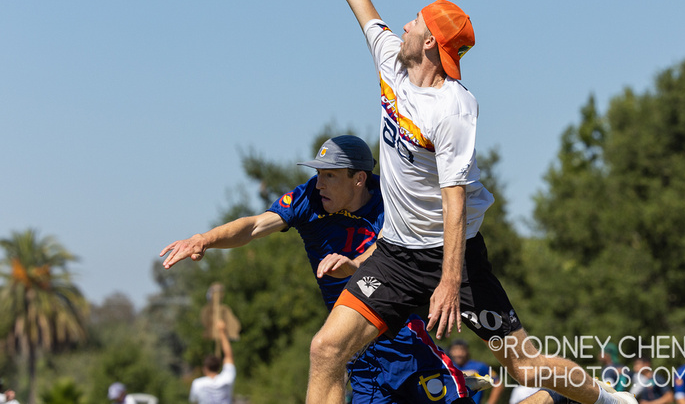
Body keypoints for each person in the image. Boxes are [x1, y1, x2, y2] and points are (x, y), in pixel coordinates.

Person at [287, 0, 639, 404]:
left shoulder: (452, 108)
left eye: (415, 21)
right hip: (397, 256)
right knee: (327, 350)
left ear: (429, 41)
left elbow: (454, 201)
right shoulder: (391, 63)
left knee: (522, 365)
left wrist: (450, 282)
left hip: (455, 257)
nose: (402, 23)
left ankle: (613, 401)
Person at [161, 135, 485, 403]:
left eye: (330, 175)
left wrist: (354, 265)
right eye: (318, 174)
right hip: (355, 354)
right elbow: (254, 225)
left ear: (358, 179)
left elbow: (384, 250)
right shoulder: (308, 200)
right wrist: (204, 239)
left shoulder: (391, 200)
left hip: (400, 339)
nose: (319, 184)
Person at [189, 319, 236, 404]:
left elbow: (194, 401)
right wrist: (222, 331)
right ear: (219, 366)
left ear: (205, 368)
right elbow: (228, 356)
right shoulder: (227, 379)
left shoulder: (197, 384)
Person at [448, 340, 504, 404]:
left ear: (467, 351)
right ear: (450, 351)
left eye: (462, 350)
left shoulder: (480, 367)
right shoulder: (447, 368)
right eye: (455, 350)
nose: (459, 353)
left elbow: (498, 384)